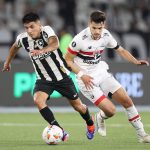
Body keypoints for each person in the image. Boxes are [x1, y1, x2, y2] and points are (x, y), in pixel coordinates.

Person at [2, 12, 95, 141]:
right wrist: (8, 62)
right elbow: (14, 47)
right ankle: (60, 131)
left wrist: (42, 50)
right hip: (43, 79)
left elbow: (55, 43)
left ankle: (90, 123)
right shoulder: (23, 39)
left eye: (32, 26)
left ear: (39, 25)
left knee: (78, 106)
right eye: (26, 27)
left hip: (62, 77)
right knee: (38, 100)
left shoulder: (47, 31)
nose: (29, 30)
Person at [65, 10, 150, 143]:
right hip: (86, 80)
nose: (97, 32)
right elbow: (67, 60)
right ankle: (100, 117)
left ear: (104, 25)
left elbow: (120, 50)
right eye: (94, 28)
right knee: (111, 111)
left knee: (127, 100)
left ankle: (142, 135)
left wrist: (136, 61)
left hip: (100, 72)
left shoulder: (106, 35)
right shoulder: (79, 40)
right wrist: (82, 75)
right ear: (89, 24)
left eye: (100, 28)